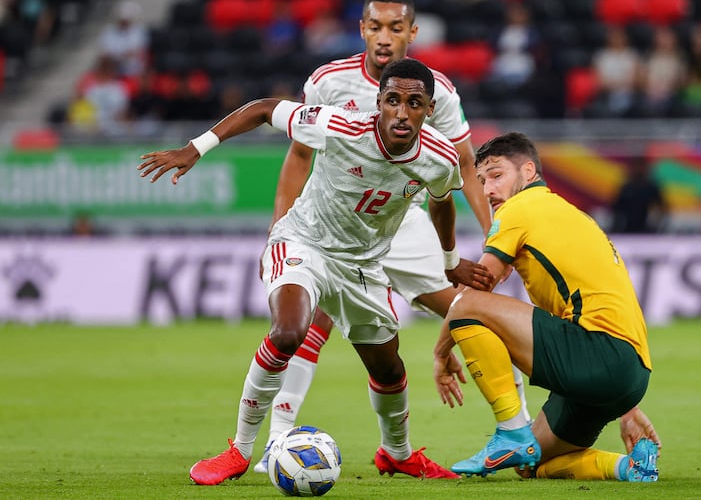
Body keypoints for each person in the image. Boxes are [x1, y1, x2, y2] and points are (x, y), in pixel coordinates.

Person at [137, 58, 494, 485]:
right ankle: (239, 449)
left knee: (389, 370)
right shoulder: (338, 126)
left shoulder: (440, 157)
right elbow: (263, 108)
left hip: (362, 264)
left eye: (414, 103)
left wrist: (451, 263)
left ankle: (397, 454)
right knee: (288, 332)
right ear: (378, 102)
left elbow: (441, 201)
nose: (402, 112)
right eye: (393, 100)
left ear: (429, 109)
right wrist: (197, 146)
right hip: (304, 242)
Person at [251, 0, 531, 474]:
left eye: (395, 28)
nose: (385, 38)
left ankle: (516, 427)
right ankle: (278, 439)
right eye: (376, 27)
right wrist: (280, 226)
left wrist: (496, 239)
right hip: (335, 225)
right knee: (308, 319)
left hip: (402, 224)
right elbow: (299, 155)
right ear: (362, 30)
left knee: (472, 310)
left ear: (411, 33)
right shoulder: (329, 81)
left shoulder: (435, 90)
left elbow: (463, 165)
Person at [433, 132, 661, 481]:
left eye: (496, 175)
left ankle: (511, 430)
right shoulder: (572, 215)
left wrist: (441, 353)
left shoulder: (518, 209)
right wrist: (626, 407)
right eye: (480, 181)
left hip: (597, 355)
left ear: (528, 171)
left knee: (470, 305)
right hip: (630, 373)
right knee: (530, 466)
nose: (487, 190)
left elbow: (472, 295)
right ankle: (628, 467)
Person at [610, 156, 667, 234]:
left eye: (641, 166)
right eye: (636, 166)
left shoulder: (650, 188)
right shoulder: (627, 188)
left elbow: (661, 207)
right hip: (626, 229)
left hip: (646, 229)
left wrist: (655, 222)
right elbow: (616, 208)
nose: (638, 169)